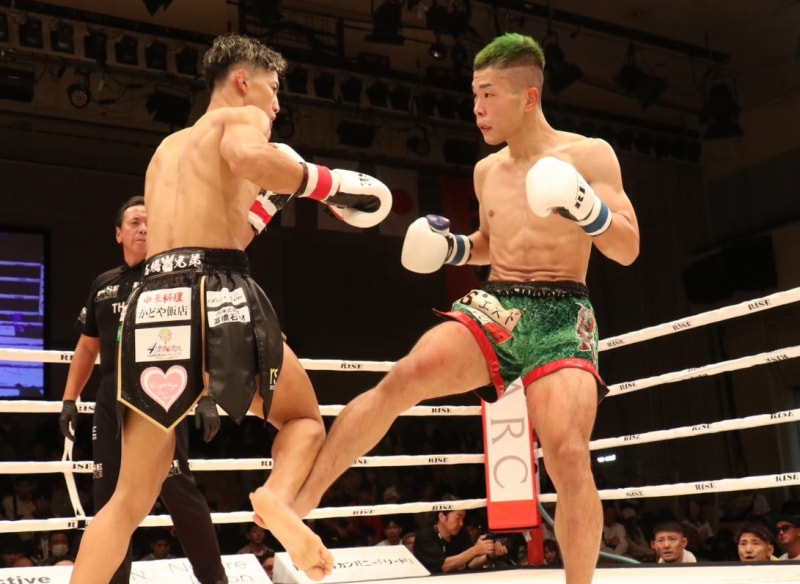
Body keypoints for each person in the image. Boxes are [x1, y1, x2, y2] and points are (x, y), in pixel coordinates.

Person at [283, 32, 639, 584]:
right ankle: (296, 509)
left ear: (529, 96)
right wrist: (453, 248)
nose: (477, 107)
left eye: (489, 94)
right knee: (402, 378)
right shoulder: (486, 170)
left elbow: (627, 246)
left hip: (563, 310)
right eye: (475, 95)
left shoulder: (589, 154)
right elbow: (491, 244)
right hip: (498, 303)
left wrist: (585, 206)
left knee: (569, 453)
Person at [68, 33, 391, 584]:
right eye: (273, 88)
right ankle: (275, 499)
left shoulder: (167, 149)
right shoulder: (242, 119)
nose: (277, 103)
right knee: (301, 419)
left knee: (127, 501)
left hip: (154, 300)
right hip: (215, 290)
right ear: (243, 80)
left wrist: (267, 204)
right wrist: (329, 184)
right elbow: (246, 159)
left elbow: (221, 228)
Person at [58, 195, 226, 584]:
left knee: (179, 493)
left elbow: (202, 340)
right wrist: (69, 400)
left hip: (160, 400)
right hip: (110, 402)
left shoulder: (175, 279)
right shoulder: (103, 285)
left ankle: (215, 580)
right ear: (119, 233)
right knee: (109, 502)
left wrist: (207, 396)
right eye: (134, 223)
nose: (143, 229)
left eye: (150, 222)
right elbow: (87, 347)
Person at [412, 497, 507, 573]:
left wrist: (489, 555)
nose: (461, 524)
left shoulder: (462, 533)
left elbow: (470, 564)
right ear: (442, 517)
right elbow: (444, 566)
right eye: (457, 518)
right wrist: (475, 550)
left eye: (463, 519)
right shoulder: (425, 536)